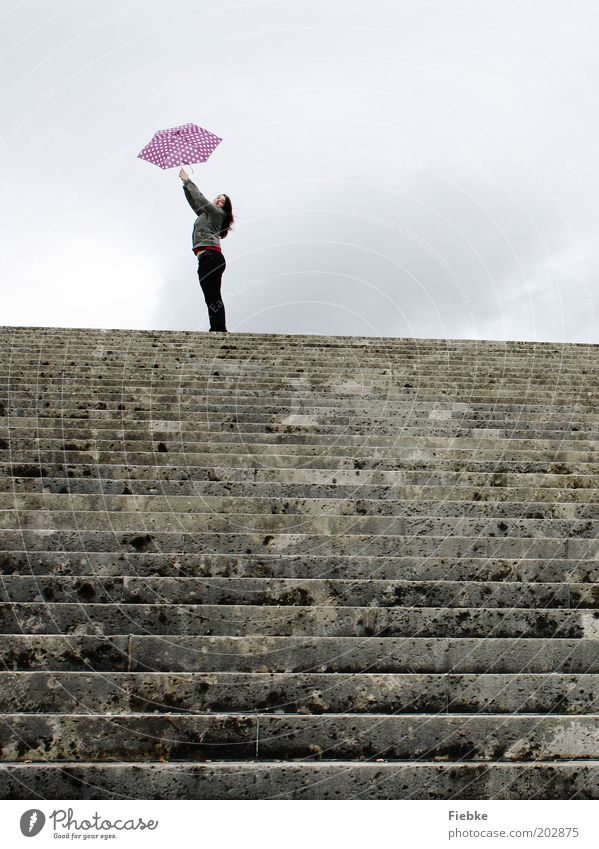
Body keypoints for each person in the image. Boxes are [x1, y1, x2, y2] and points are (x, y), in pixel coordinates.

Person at [179, 168, 234, 332]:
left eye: (222, 201)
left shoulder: (217, 214)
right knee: (210, 296)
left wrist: (188, 180)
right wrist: (184, 184)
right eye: (217, 197)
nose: (218, 200)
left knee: (214, 295)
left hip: (212, 257)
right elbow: (194, 202)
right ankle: (216, 328)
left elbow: (200, 199)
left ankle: (219, 329)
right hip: (205, 259)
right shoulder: (205, 214)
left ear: (224, 207)